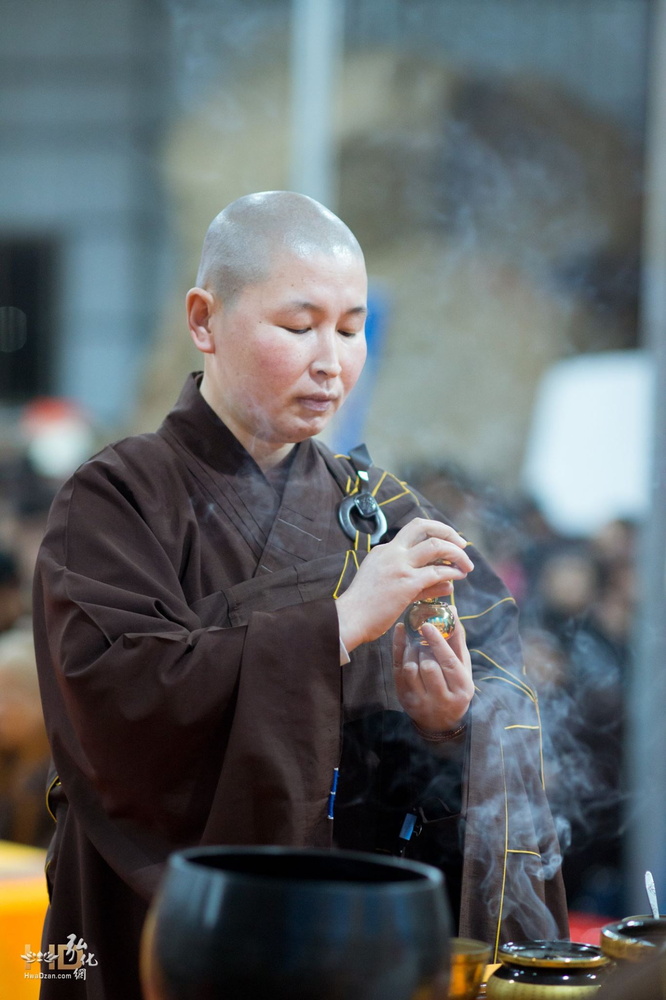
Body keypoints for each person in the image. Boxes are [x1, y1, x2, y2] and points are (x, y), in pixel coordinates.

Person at [33, 191, 567, 999]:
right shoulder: (116, 499)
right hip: (154, 934)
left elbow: (496, 713)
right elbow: (120, 705)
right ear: (204, 320)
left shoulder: (384, 512)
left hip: (347, 937)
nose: (332, 362)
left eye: (351, 330)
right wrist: (341, 623)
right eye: (298, 325)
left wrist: (448, 727)